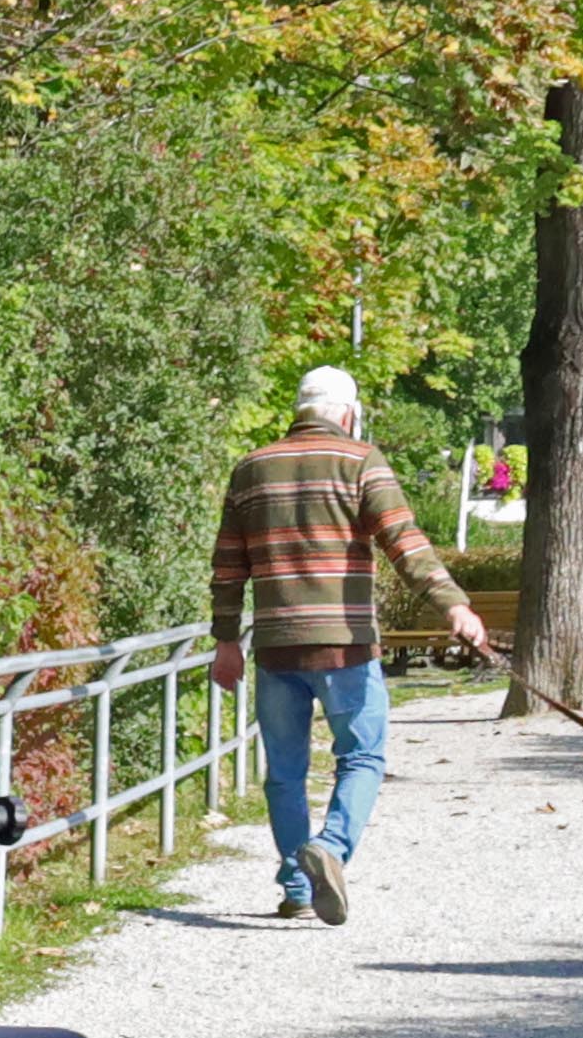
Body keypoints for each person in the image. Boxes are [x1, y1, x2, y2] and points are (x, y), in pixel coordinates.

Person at [209, 364, 491, 925]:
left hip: (275, 646)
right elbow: (404, 543)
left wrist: (225, 641)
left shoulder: (250, 469)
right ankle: (331, 849)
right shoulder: (361, 461)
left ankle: (297, 883)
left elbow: (227, 567)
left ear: (300, 409)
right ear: (346, 412)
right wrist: (452, 604)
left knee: (285, 772)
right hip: (346, 647)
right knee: (361, 757)